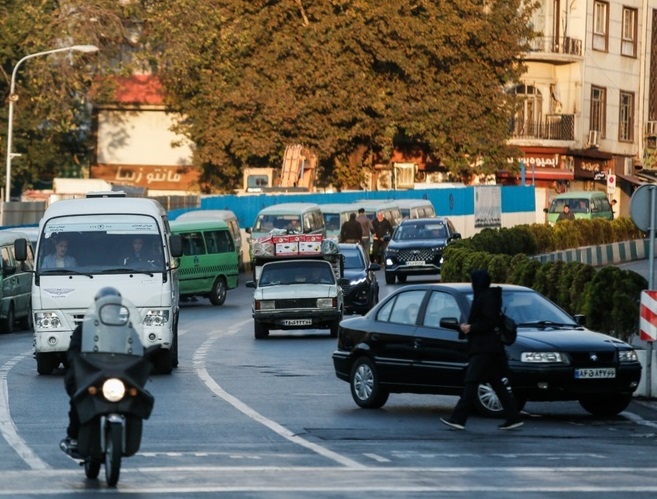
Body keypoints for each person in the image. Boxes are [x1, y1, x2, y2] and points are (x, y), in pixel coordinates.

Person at [440, 270, 523, 431]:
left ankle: (458, 418)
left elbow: (490, 322)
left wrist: (471, 327)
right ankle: (513, 417)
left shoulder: (486, 298)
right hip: (489, 348)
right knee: (496, 384)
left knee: (471, 382)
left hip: (484, 348)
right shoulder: (487, 296)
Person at [60, 287, 123, 454]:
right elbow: (73, 350)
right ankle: (73, 436)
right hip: (89, 376)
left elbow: (136, 347)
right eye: (106, 306)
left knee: (139, 395)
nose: (110, 311)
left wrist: (146, 356)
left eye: (113, 307)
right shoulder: (85, 329)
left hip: (116, 376)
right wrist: (76, 361)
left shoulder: (125, 329)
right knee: (78, 399)